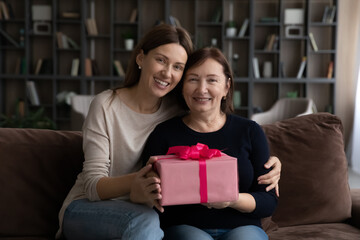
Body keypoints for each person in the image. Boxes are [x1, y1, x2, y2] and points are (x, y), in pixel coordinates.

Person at [56, 24, 280, 240]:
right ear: (141, 58)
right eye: (161, 60)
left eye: (178, 67)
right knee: (146, 221)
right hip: (91, 207)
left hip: (144, 206)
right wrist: (143, 179)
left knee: (147, 220)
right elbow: (92, 186)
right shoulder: (106, 105)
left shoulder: (177, 110)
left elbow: (215, 128)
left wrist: (273, 161)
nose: (167, 73)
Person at [141, 47, 278, 240]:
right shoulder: (164, 133)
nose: (201, 89)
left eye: (212, 80)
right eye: (193, 79)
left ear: (226, 87)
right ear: (182, 86)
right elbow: (148, 196)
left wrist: (232, 200)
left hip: (243, 227)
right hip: (184, 227)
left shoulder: (249, 131)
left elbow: (269, 201)